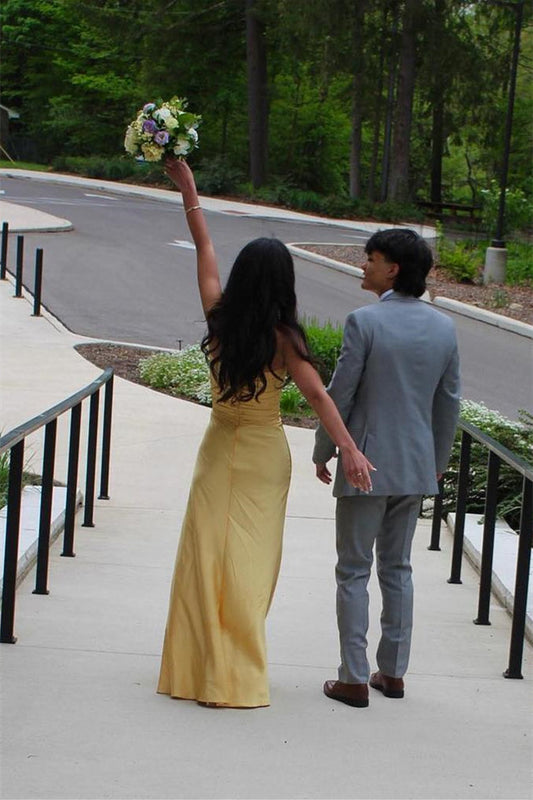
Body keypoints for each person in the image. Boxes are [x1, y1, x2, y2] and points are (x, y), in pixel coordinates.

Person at [157, 158, 374, 709]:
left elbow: (205, 250)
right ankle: (234, 672)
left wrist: (190, 190)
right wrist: (349, 449)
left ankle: (199, 669)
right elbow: (319, 396)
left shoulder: (218, 317)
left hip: (218, 446)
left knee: (206, 554)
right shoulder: (285, 339)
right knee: (250, 560)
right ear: (283, 284)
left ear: (243, 278)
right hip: (262, 453)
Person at [313, 228, 460, 709]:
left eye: (370, 259)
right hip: (416, 466)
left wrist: (324, 448)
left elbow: (341, 394)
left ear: (393, 268)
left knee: (353, 570)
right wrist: (435, 464)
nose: (363, 266)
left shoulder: (364, 322)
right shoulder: (444, 328)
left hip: (366, 464)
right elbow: (448, 403)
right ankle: (393, 672)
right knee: (397, 567)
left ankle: (354, 677)